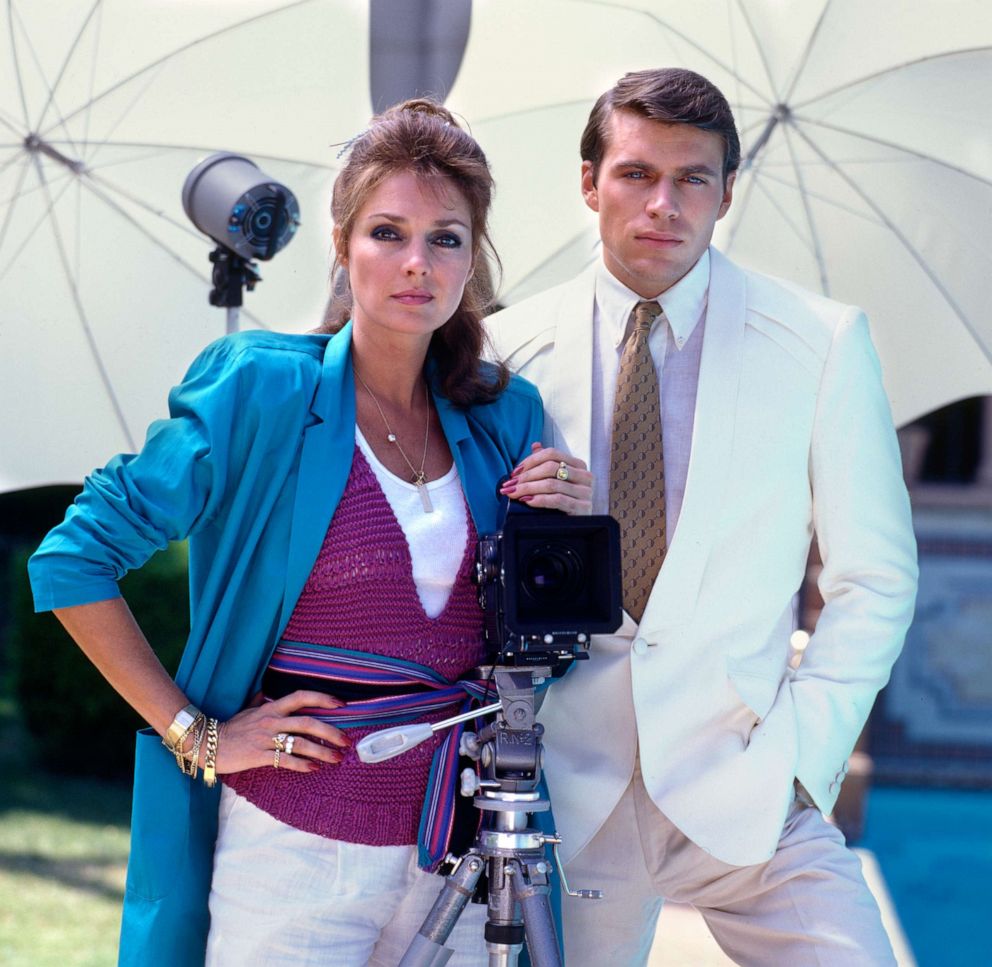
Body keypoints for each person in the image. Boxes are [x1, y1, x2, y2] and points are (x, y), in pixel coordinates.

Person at [28, 98, 591, 967]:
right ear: (341, 242)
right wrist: (198, 734)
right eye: (387, 232)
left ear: (472, 257)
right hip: (292, 854)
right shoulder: (260, 390)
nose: (417, 262)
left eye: (446, 238)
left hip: (467, 848)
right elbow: (73, 561)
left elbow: (541, 652)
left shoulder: (504, 413)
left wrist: (558, 532)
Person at [486, 68, 918, 966]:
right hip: (574, 795)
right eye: (638, 174)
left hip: (753, 783)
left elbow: (874, 578)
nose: (664, 204)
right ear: (589, 183)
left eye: (693, 179)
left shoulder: (820, 343)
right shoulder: (505, 353)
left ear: (726, 193)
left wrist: (806, 756)